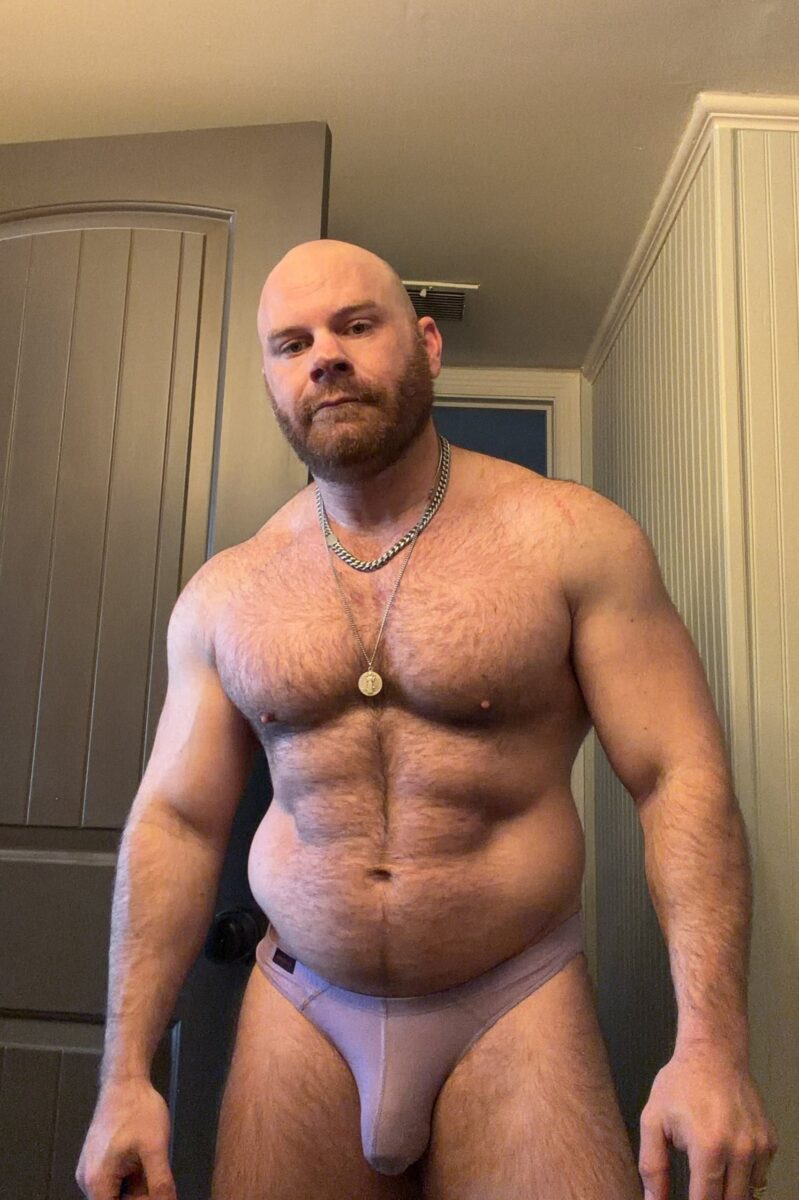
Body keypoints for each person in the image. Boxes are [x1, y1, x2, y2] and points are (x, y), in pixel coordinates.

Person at [77, 238, 777, 1200]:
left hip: (514, 1000)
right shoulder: (226, 594)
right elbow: (176, 822)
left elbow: (676, 776)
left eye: (356, 326)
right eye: (291, 344)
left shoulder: (570, 537)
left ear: (428, 345)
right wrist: (123, 1075)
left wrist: (711, 1046)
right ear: (273, 379)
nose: (324, 357)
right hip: (299, 1007)